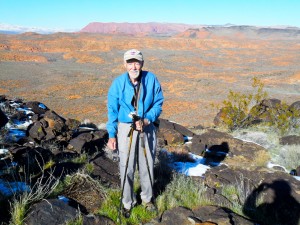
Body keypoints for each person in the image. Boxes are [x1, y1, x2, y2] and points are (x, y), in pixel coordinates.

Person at [106, 49, 164, 217]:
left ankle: (147, 200)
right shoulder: (118, 83)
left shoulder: (151, 79)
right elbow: (112, 110)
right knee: (127, 166)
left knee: (147, 165)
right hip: (125, 128)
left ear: (142, 64)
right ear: (124, 65)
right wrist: (112, 134)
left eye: (137, 62)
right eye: (130, 63)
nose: (134, 66)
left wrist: (147, 119)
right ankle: (127, 202)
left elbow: (158, 103)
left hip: (147, 127)